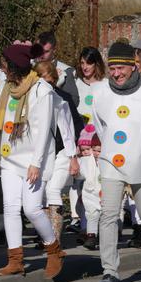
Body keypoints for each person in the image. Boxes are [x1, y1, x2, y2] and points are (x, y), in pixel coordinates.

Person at [90, 42, 141, 282]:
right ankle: (110, 271)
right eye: (112, 68)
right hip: (111, 162)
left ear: (133, 66)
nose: (116, 74)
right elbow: (100, 126)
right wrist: (111, 149)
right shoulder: (100, 91)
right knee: (108, 215)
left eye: (121, 68)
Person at [0, 43, 64, 279]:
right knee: (10, 208)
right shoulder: (7, 88)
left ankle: (54, 250)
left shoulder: (41, 90)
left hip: (34, 160)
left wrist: (36, 163)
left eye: (5, 65)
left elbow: (43, 132)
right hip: (9, 158)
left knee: (32, 209)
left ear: (15, 67)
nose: (2, 68)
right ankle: (15, 260)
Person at [34, 61, 82, 243]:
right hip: (42, 153)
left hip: (63, 151)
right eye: (40, 80)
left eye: (48, 80)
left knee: (53, 190)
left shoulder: (62, 99)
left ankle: (54, 240)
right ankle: (45, 237)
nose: (45, 84)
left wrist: (74, 156)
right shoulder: (31, 98)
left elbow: (73, 127)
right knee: (42, 195)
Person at [68, 46, 105, 233]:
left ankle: (102, 221)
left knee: (96, 182)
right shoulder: (76, 83)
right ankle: (81, 222)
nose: (85, 67)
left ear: (96, 64)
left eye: (89, 63)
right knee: (79, 181)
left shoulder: (105, 84)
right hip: (81, 139)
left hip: (98, 140)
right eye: (82, 63)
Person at [35, 31, 79, 107]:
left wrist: (55, 89)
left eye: (46, 51)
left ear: (54, 50)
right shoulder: (29, 66)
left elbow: (74, 101)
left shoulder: (65, 71)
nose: (41, 55)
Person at [76, 127, 101, 250]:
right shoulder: (86, 160)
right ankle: (91, 236)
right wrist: (76, 173)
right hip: (89, 192)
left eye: (99, 151)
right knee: (91, 214)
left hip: (103, 192)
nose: (96, 153)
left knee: (106, 216)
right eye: (94, 150)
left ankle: (108, 236)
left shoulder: (106, 161)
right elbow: (81, 174)